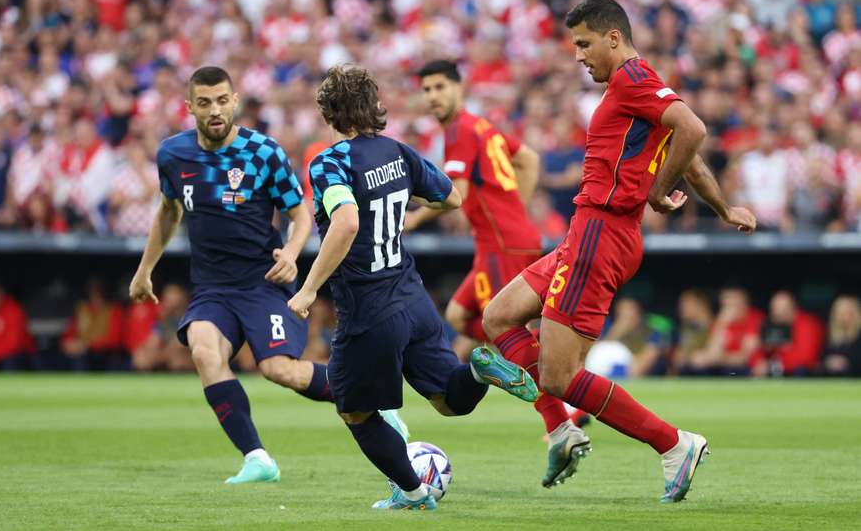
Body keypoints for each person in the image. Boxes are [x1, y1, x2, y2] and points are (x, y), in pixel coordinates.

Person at [481, 0, 757, 503]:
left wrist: (656, 191)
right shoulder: (637, 89)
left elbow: (693, 130)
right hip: (589, 232)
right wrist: (722, 209)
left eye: (584, 44)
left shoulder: (632, 77)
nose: (578, 55)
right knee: (498, 317)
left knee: (560, 375)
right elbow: (689, 156)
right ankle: (561, 429)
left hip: (600, 233)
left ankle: (674, 443)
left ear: (613, 37)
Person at [287, 65, 538, 511]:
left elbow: (345, 222)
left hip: (368, 310)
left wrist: (308, 290)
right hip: (414, 298)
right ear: (372, 106)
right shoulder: (398, 153)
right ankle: (479, 370)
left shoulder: (330, 161)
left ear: (331, 114)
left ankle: (413, 492)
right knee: (448, 401)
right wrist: (402, 203)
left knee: (354, 411)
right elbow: (452, 197)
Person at [129, 66, 346, 485]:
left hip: (262, 282)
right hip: (212, 288)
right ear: (190, 106)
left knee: (279, 370)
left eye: (222, 100)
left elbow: (299, 213)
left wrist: (293, 252)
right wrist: (144, 270)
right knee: (204, 352)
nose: (214, 110)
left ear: (235, 102)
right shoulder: (173, 154)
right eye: (205, 102)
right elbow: (169, 210)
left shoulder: (263, 152)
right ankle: (257, 457)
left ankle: (368, 397)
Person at [411, 59, 591, 487]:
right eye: (427, 90)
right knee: (459, 317)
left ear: (459, 87)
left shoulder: (459, 130)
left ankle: (559, 423)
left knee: (503, 332)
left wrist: (409, 218)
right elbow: (527, 159)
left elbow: (454, 193)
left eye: (440, 87)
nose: (433, 96)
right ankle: (542, 381)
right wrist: (515, 212)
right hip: (503, 241)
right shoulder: (480, 126)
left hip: (500, 247)